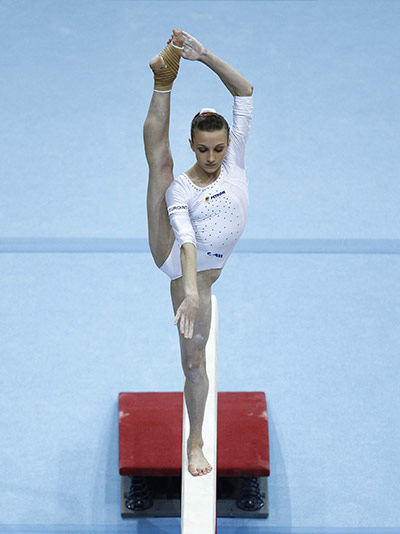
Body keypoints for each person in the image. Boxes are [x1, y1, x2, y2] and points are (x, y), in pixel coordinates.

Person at [143, 29, 253, 477]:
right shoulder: (182, 188)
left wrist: (205, 56)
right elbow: (186, 242)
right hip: (173, 256)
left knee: (196, 359)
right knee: (159, 165)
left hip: (202, 273)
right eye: (203, 149)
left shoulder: (234, 162)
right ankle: (195, 444)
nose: (211, 158)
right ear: (194, 144)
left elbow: (244, 91)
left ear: (229, 144)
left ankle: (171, 68)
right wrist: (188, 291)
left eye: (219, 148)